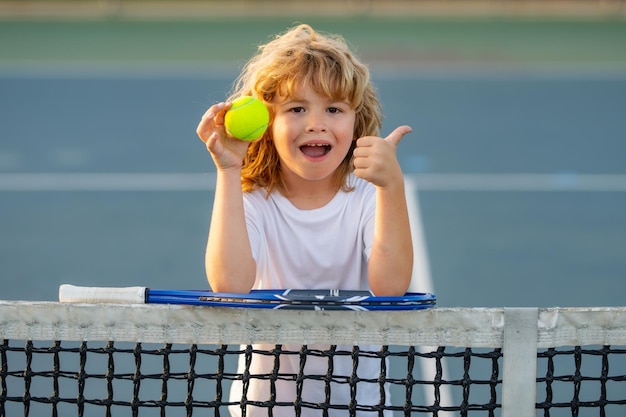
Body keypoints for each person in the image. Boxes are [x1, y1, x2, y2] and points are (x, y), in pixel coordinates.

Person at [196, 23, 413, 417]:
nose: (316, 123)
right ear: (265, 124)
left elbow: (391, 288)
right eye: (297, 109)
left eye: (333, 109)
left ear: (356, 122)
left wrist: (391, 186)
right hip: (263, 407)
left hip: (357, 405)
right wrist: (228, 172)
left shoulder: (368, 196)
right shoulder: (254, 200)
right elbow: (229, 285)